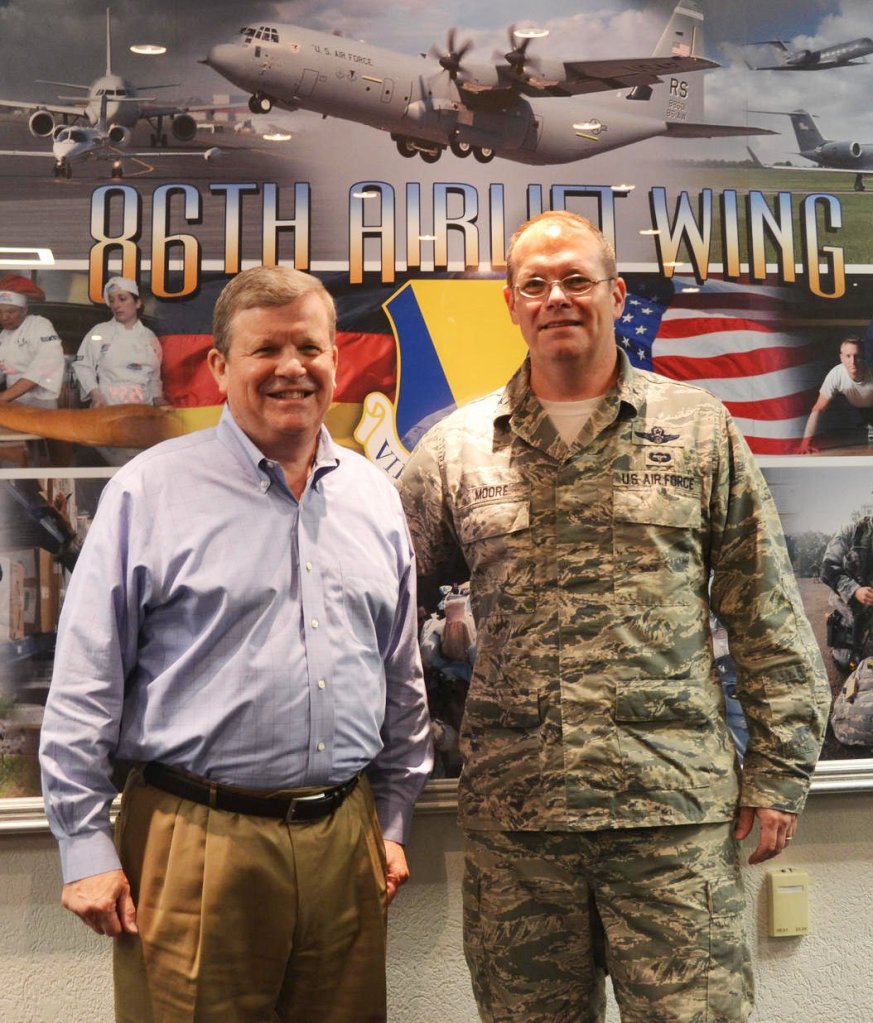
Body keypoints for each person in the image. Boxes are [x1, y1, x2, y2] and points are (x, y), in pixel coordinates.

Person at [399, 211, 830, 1023]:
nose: (556, 297)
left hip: (671, 824)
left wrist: (777, 772)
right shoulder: (456, 450)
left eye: (575, 280)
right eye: (535, 283)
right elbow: (382, 615)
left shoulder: (698, 429)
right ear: (512, 304)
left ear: (614, 293)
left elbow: (765, 607)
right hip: (520, 828)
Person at [39, 264, 434, 1023]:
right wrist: (84, 845)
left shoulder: (374, 496)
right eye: (265, 350)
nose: (291, 368)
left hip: (345, 844)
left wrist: (390, 820)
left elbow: (401, 675)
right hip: (195, 843)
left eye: (309, 347)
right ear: (219, 366)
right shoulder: (149, 492)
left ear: (336, 359)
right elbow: (86, 679)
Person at [73, 276, 165, 408]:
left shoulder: (149, 337)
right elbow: (83, 366)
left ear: (138, 303)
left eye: (122, 299)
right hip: (108, 408)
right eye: (112, 301)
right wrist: (96, 396)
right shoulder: (99, 332)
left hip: (142, 410)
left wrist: (159, 399)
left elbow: (155, 377)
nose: (116, 305)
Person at [799, 336, 873, 452]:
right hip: (854, 408)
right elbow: (818, 409)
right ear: (841, 358)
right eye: (848, 356)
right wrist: (805, 443)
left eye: (856, 356)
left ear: (863, 357)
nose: (852, 361)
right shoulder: (836, 374)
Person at [820, 511, 873, 670]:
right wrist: (855, 591)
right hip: (849, 611)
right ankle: (836, 623)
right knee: (847, 664)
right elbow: (827, 569)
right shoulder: (850, 531)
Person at [0, 285, 64, 407]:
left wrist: (4, 397)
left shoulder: (39, 325)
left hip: (39, 406)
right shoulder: (3, 335)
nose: (4, 317)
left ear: (24, 310)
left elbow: (45, 364)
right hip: (12, 405)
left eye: (10, 312)